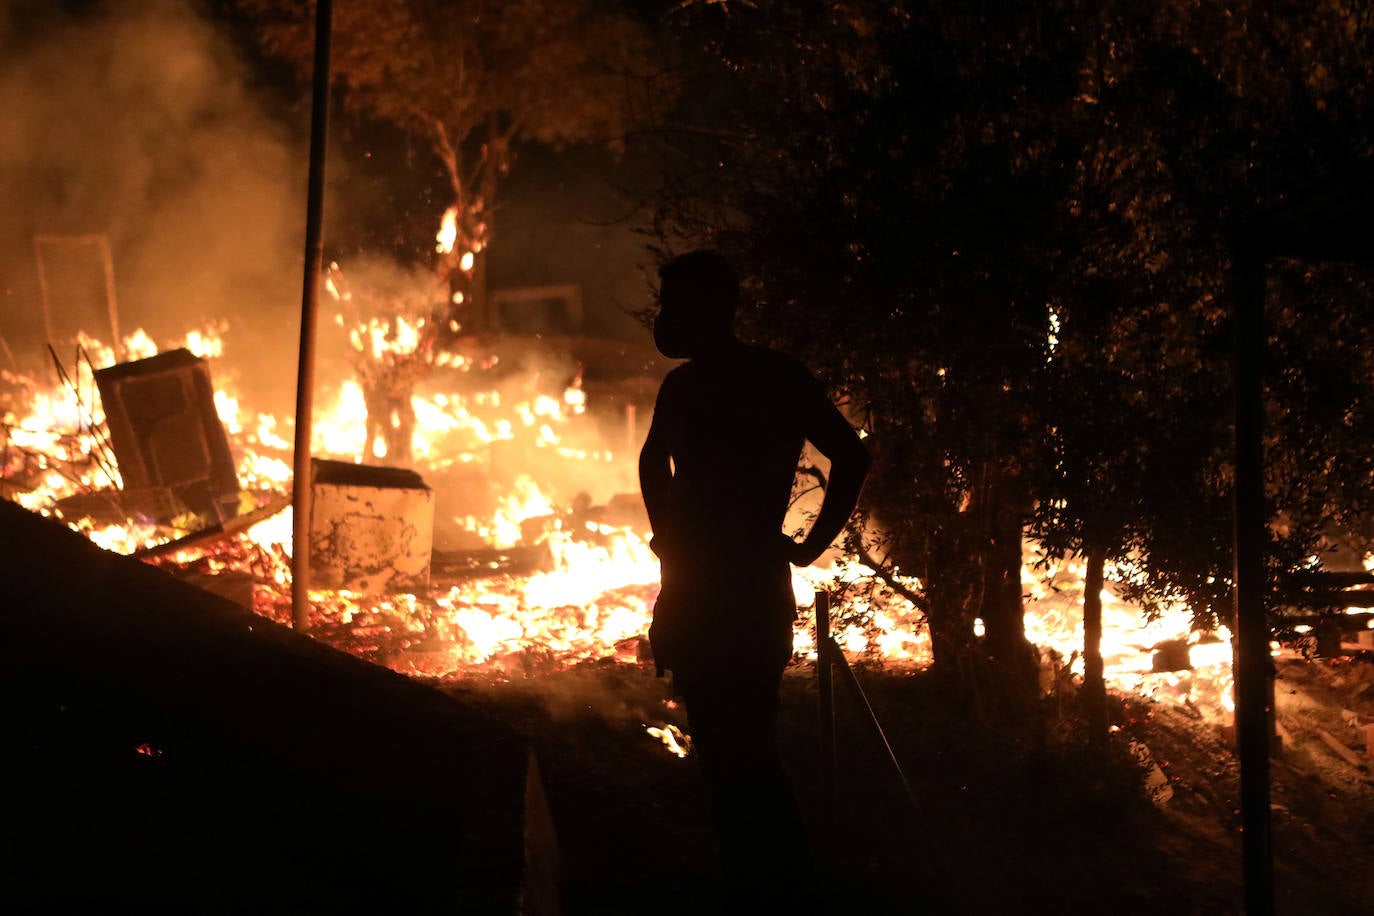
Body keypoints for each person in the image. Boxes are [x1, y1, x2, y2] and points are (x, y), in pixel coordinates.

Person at [639, 250, 871, 909]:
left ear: (701, 309)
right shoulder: (721, 383)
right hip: (717, 586)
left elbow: (849, 454)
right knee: (727, 746)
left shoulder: (740, 382)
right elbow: (654, 462)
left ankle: (781, 885)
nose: (665, 315)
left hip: (729, 589)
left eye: (673, 301)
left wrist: (806, 540)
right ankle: (761, 880)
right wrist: (800, 540)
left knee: (741, 751)